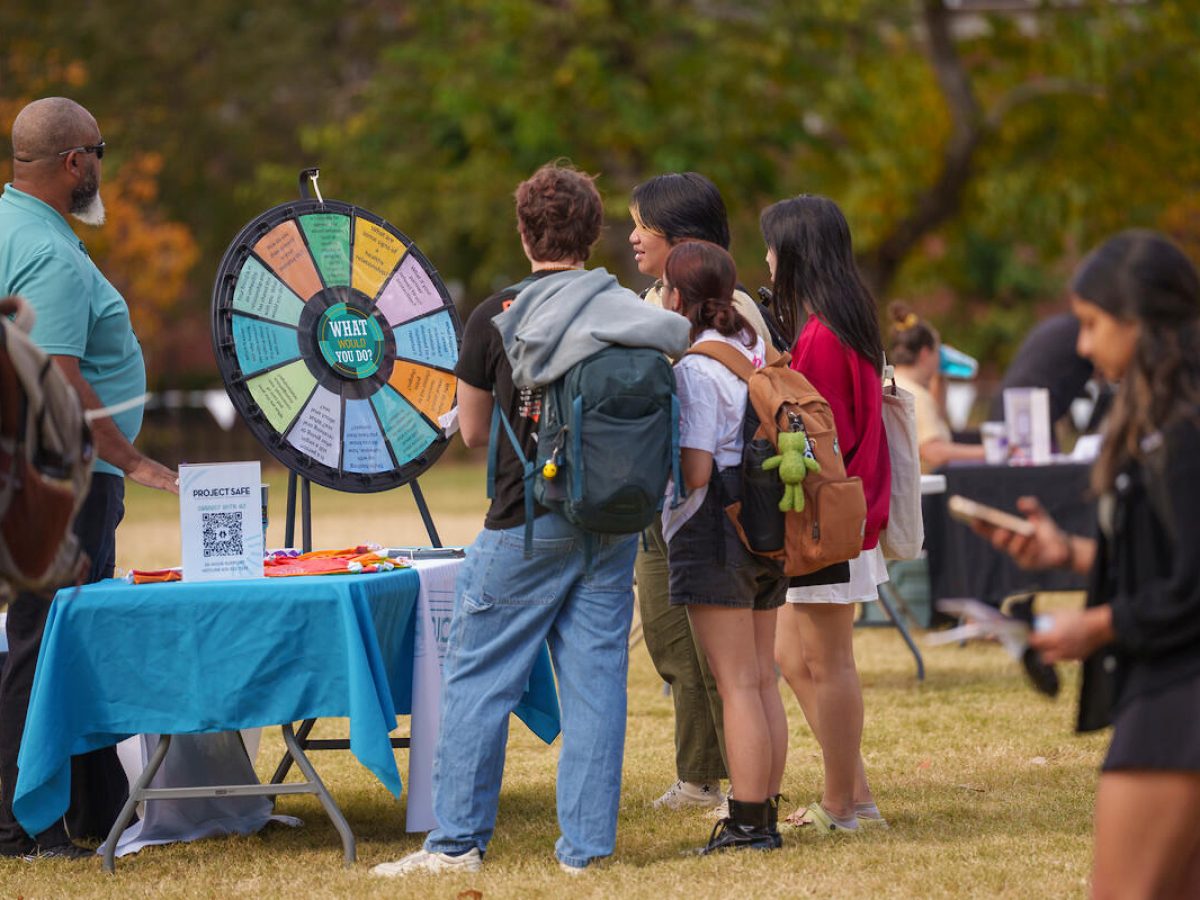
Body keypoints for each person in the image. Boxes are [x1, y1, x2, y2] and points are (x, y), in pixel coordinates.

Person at [371, 162, 689, 878]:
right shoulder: (631, 314)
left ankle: (455, 845)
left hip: (525, 518)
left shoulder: (498, 315)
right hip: (613, 523)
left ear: (524, 234)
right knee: (597, 685)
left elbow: (475, 433)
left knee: (479, 680)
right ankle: (585, 852)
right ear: (592, 233)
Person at [974, 230, 1200, 898]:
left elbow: (1192, 587)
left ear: (1144, 323)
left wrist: (1095, 626)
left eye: (1094, 324)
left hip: (1176, 700)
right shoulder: (1165, 420)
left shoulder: (1184, 431)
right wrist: (1067, 553)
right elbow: (1173, 555)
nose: (1081, 346)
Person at [0, 98, 178, 861]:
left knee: (61, 641)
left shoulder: (13, 225)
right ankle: (21, 827)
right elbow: (62, 378)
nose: (101, 166)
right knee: (47, 646)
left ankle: (92, 805)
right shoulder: (49, 253)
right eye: (99, 152)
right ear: (75, 161)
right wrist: (133, 461)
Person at [627, 172, 776, 812]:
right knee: (674, 643)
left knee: (726, 665)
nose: (632, 237)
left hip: (704, 506)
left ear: (681, 241)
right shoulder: (655, 300)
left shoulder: (726, 313)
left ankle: (731, 791)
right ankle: (711, 777)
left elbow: (701, 446)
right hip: (674, 508)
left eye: (643, 225)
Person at [759, 195, 890, 833]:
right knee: (792, 654)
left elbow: (814, 443)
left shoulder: (823, 338)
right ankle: (852, 788)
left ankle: (847, 804)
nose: (766, 259)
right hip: (844, 519)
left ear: (797, 255)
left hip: (826, 524)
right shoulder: (845, 324)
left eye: (773, 247)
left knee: (828, 660)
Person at [660, 241, 788, 853]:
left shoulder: (694, 368)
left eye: (664, 289)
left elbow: (697, 472)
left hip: (717, 525)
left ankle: (747, 823)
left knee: (734, 682)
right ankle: (766, 803)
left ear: (678, 297)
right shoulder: (755, 350)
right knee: (762, 679)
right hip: (769, 522)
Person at [887, 301, 985, 472]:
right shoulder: (915, 395)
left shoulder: (890, 383)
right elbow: (933, 451)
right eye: (937, 352)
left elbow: (935, 418)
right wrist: (988, 452)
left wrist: (940, 377)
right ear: (925, 353)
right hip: (924, 493)